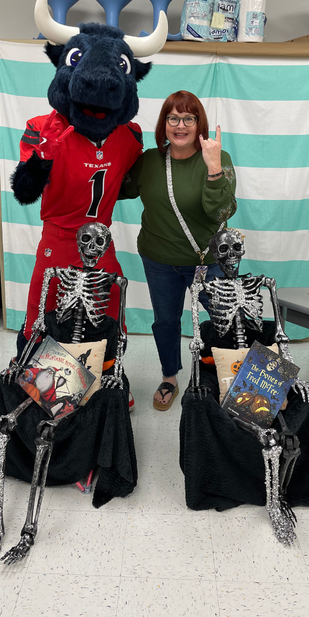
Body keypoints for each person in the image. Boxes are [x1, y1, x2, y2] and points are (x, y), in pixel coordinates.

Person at [119, 90, 237, 410]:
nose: (181, 125)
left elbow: (223, 212)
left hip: (208, 261)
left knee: (226, 320)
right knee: (166, 322)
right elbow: (116, 188)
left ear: (199, 123)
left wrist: (214, 168)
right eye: (174, 118)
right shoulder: (150, 161)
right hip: (159, 259)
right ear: (164, 123)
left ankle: (236, 382)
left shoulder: (217, 159)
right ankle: (169, 376)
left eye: (189, 118)